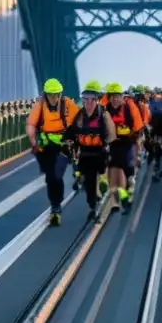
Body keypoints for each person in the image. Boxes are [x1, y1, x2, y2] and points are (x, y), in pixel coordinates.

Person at [25, 78, 79, 226]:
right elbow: (31, 124)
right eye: (51, 95)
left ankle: (56, 207)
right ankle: (55, 204)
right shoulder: (40, 106)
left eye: (57, 94)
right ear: (46, 95)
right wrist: (33, 142)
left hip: (64, 145)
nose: (54, 98)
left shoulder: (67, 104)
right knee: (50, 177)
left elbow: (81, 119)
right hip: (47, 146)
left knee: (56, 174)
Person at [64, 80, 116, 220]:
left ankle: (97, 203)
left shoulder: (104, 115)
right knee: (87, 183)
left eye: (91, 99)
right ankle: (92, 201)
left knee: (97, 181)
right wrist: (66, 141)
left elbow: (111, 135)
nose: (87, 102)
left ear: (97, 100)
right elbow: (71, 131)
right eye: (84, 98)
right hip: (85, 153)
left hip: (100, 154)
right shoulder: (79, 115)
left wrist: (106, 144)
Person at [104, 82, 144, 210]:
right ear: (109, 97)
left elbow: (138, 128)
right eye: (112, 97)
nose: (115, 99)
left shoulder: (129, 108)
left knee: (128, 173)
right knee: (113, 171)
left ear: (122, 97)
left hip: (128, 144)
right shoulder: (105, 110)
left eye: (118, 96)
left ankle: (128, 193)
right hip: (114, 145)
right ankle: (116, 201)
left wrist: (138, 151)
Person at [146, 92, 162, 180]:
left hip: (156, 129)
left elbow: (149, 118)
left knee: (154, 148)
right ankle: (159, 169)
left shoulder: (151, 104)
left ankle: (154, 167)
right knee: (161, 149)